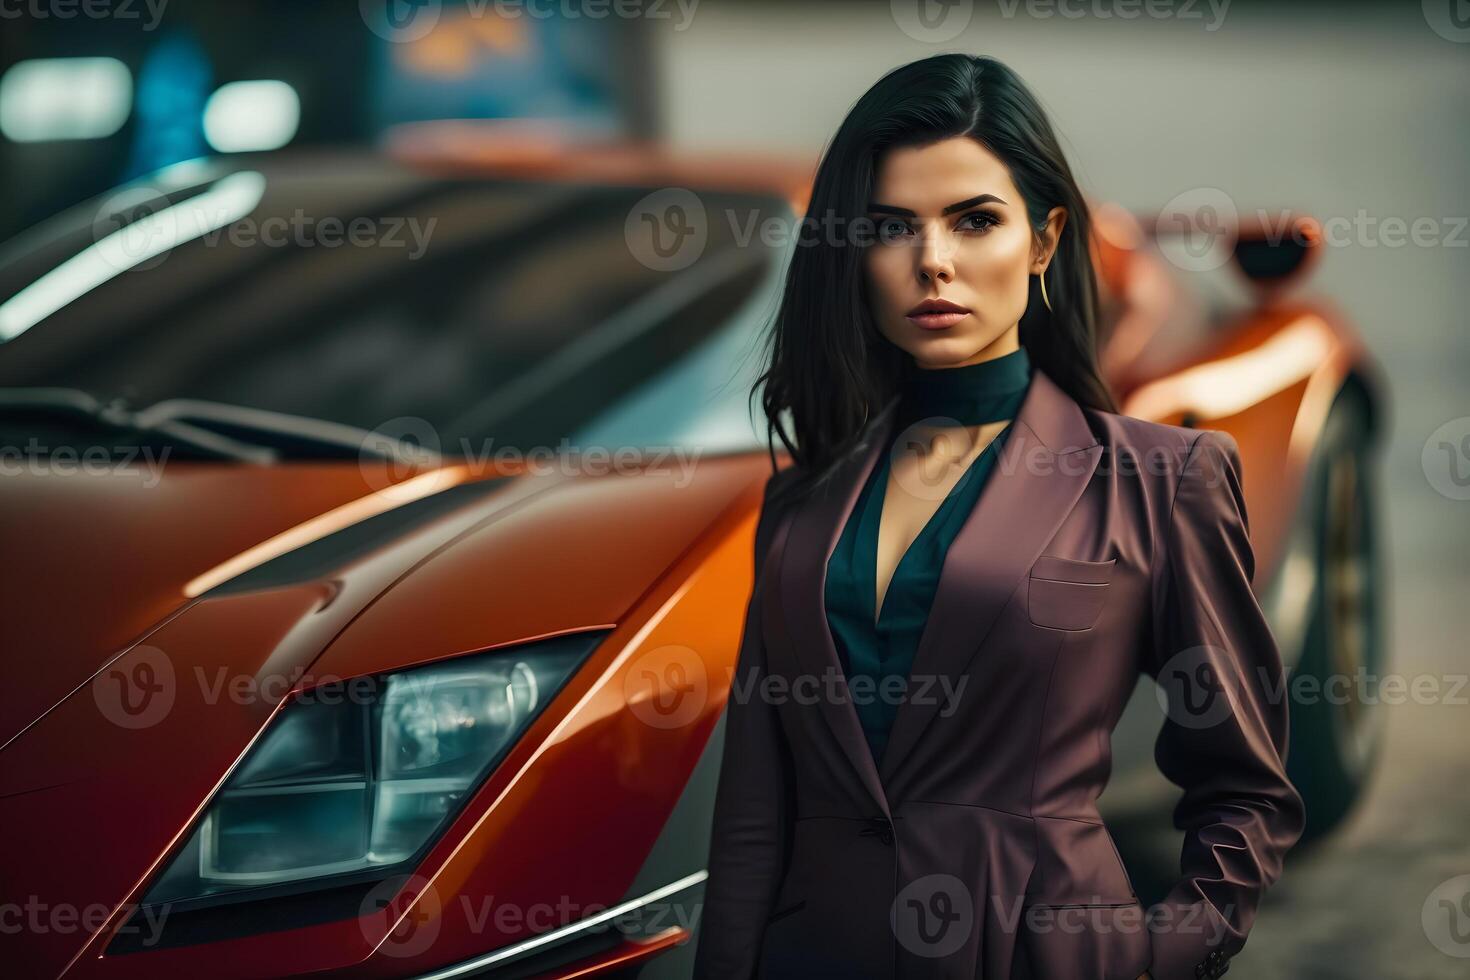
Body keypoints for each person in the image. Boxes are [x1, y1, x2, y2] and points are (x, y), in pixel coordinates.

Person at [693, 53, 1305, 980]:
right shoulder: (803, 495)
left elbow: (1244, 788)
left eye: (974, 220)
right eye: (892, 227)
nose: (932, 260)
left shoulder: (1158, 481)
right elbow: (752, 812)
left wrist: (1155, 954)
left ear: (1045, 240)